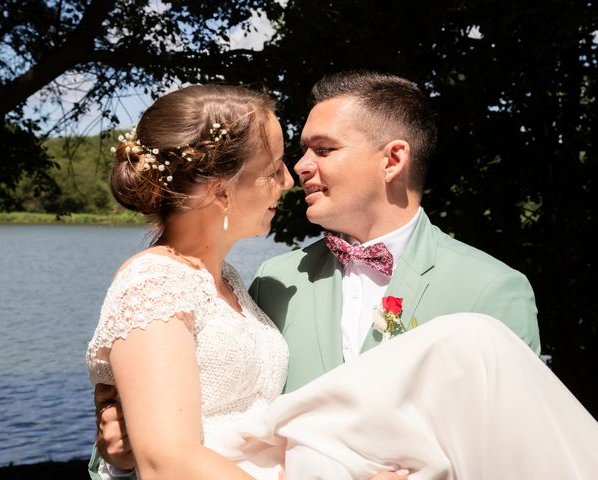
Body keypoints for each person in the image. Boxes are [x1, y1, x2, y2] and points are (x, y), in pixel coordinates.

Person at [91, 71, 541, 476]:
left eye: (323, 149)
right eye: (297, 152)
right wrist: (120, 453)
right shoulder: (275, 281)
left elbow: (516, 455)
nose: (297, 170)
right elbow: (164, 441)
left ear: (393, 159)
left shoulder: (489, 289)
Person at [86, 84, 408, 480]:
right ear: (221, 190)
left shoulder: (232, 282)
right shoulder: (153, 281)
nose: (289, 181)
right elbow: (167, 463)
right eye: (273, 169)